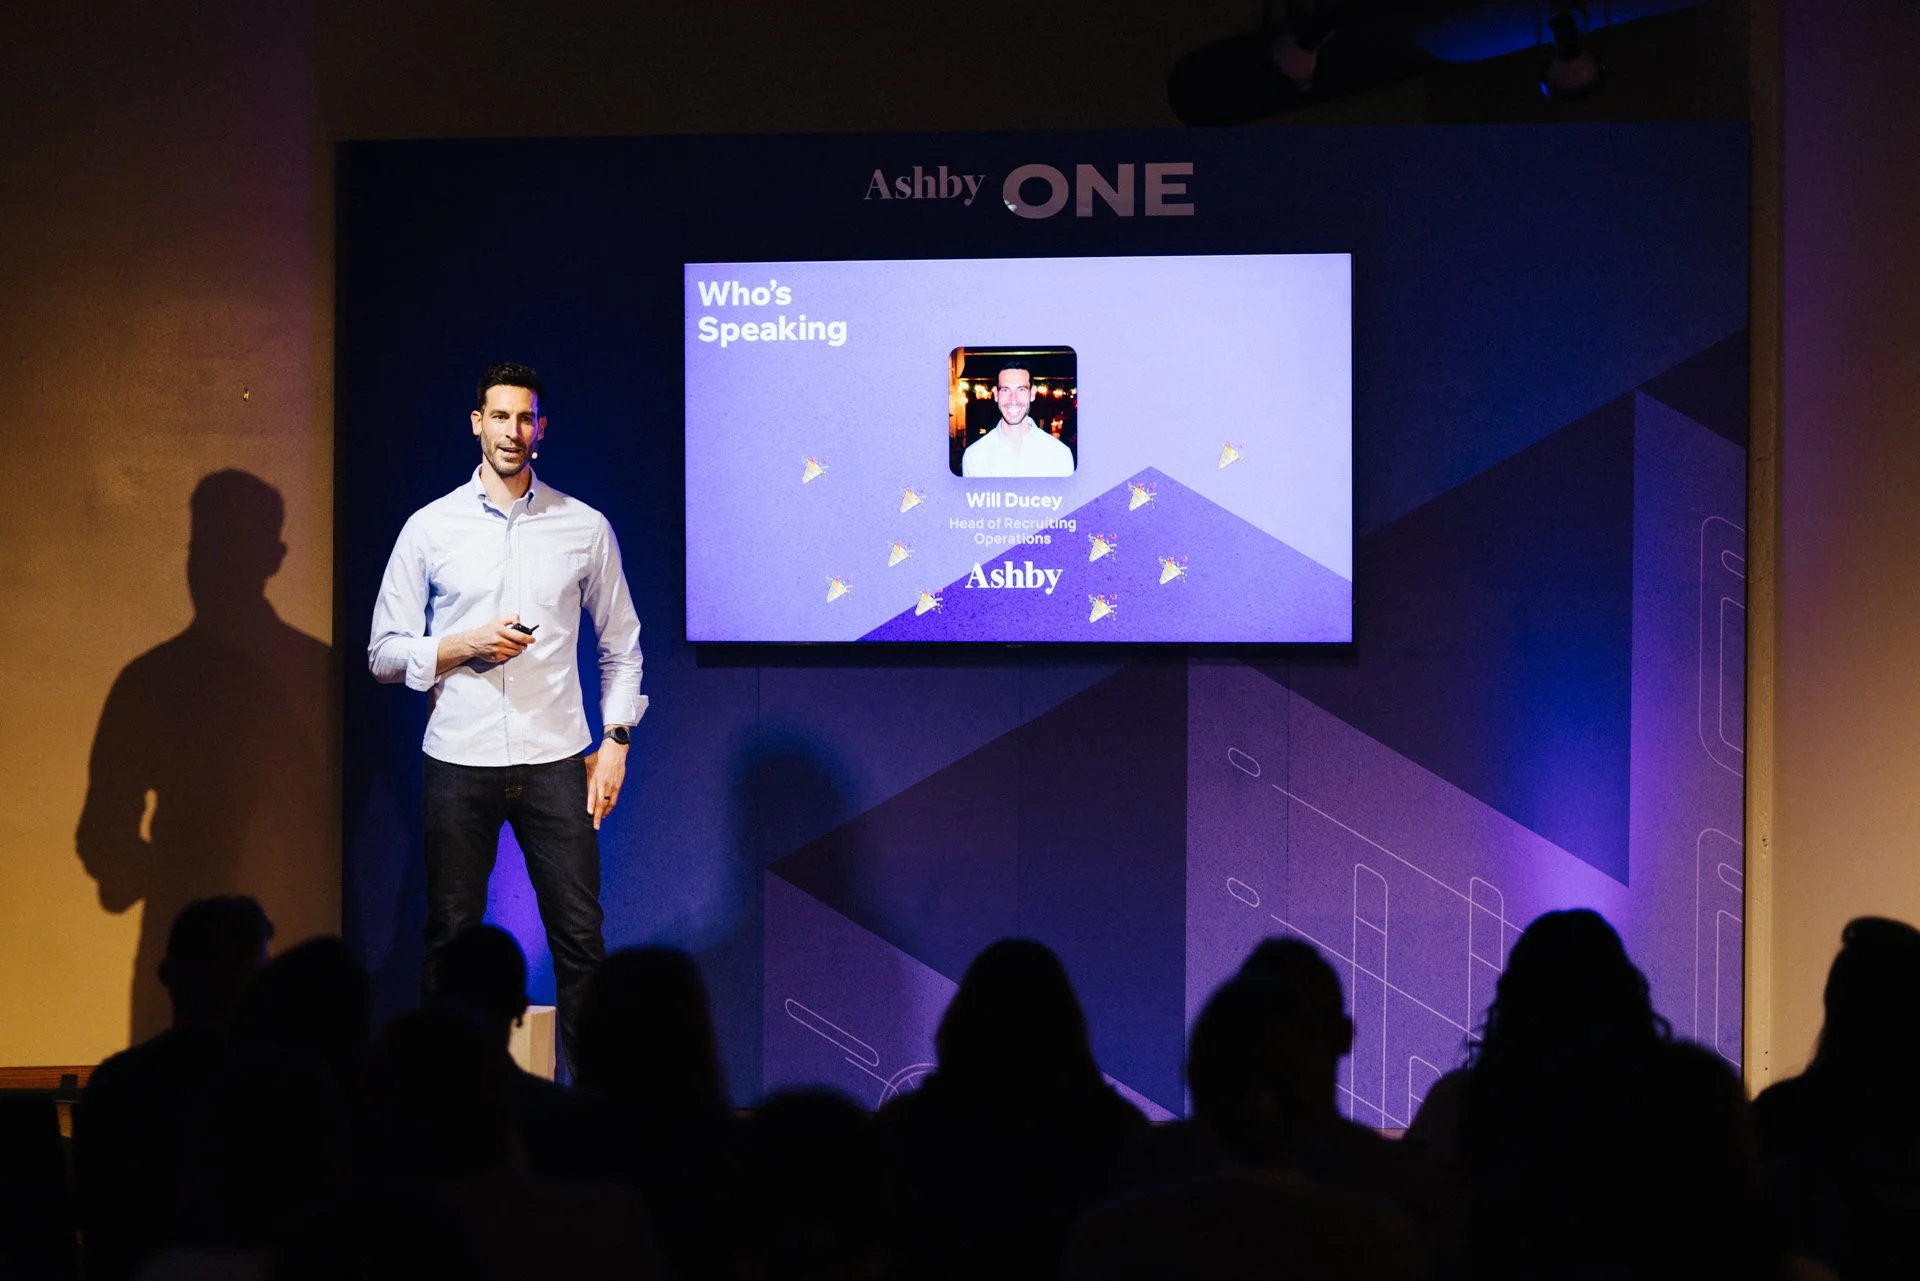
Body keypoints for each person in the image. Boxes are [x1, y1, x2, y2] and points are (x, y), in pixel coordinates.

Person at [368, 361, 647, 1068]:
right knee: (451, 940)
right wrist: (464, 643)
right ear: (476, 422)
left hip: (556, 756)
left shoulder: (582, 525)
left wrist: (614, 740)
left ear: (541, 428)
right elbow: (383, 651)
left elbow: (622, 642)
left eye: (525, 419)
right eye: (499, 417)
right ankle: (448, 1110)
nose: (512, 432)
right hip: (459, 757)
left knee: (581, 940)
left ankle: (588, 1115)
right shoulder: (430, 527)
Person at [960, 362, 1075, 478]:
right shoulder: (974, 456)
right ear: (996, 395)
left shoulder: (1060, 454)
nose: (1013, 400)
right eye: (1005, 390)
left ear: (1032, 393)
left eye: (1021, 390)